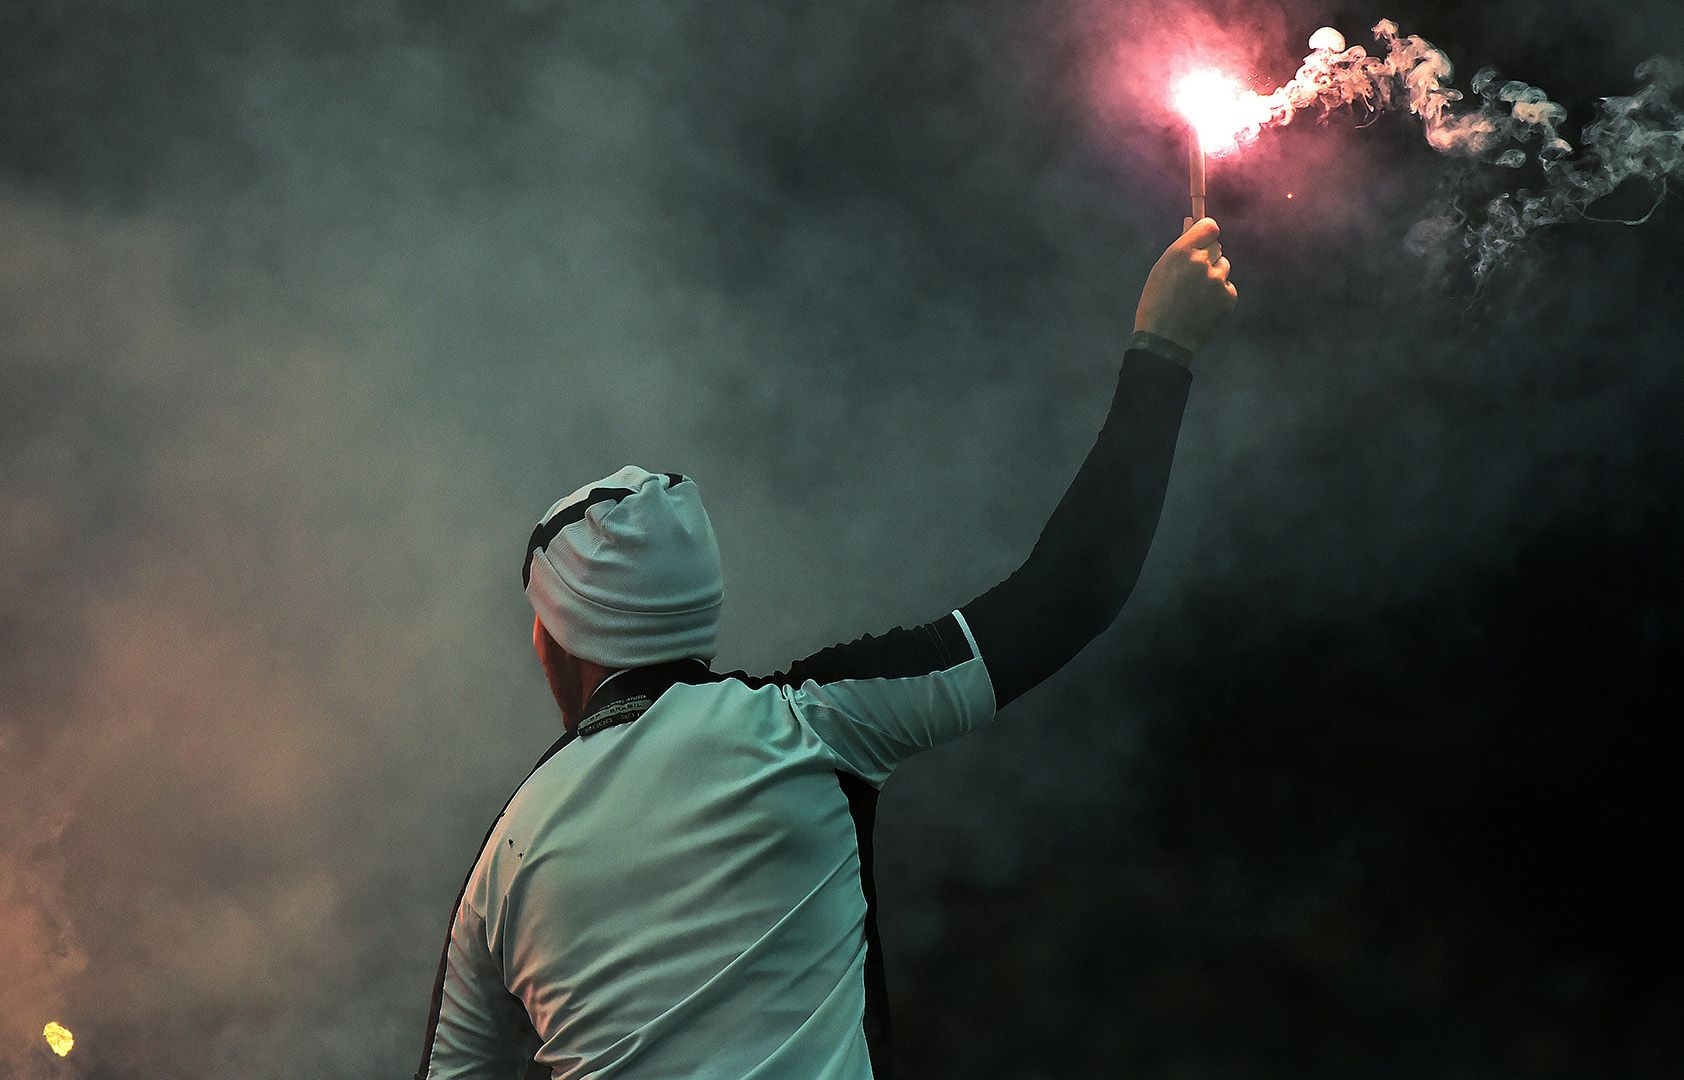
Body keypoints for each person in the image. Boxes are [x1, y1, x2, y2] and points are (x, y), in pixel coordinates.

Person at [418, 218, 1238, 1080]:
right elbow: (1074, 590)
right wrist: (1162, 347)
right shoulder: (811, 725)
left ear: (566, 639)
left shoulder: (505, 856)